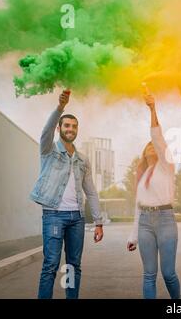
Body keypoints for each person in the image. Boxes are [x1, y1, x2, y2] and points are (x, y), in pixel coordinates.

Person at [30, 90, 104, 299]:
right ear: (60, 128)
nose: (70, 129)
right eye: (66, 125)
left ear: (77, 130)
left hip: (77, 218)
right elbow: (45, 132)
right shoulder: (49, 151)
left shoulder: (82, 159)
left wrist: (98, 221)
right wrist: (60, 108)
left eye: (74, 126)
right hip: (54, 214)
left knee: (73, 265)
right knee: (51, 265)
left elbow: (91, 191)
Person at [126, 92, 180, 299]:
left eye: (155, 145)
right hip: (145, 224)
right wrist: (133, 235)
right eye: (148, 145)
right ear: (144, 152)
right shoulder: (142, 176)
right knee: (149, 275)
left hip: (165, 220)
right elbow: (138, 207)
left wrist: (152, 109)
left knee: (168, 273)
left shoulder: (167, 167)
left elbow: (157, 136)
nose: (152, 146)